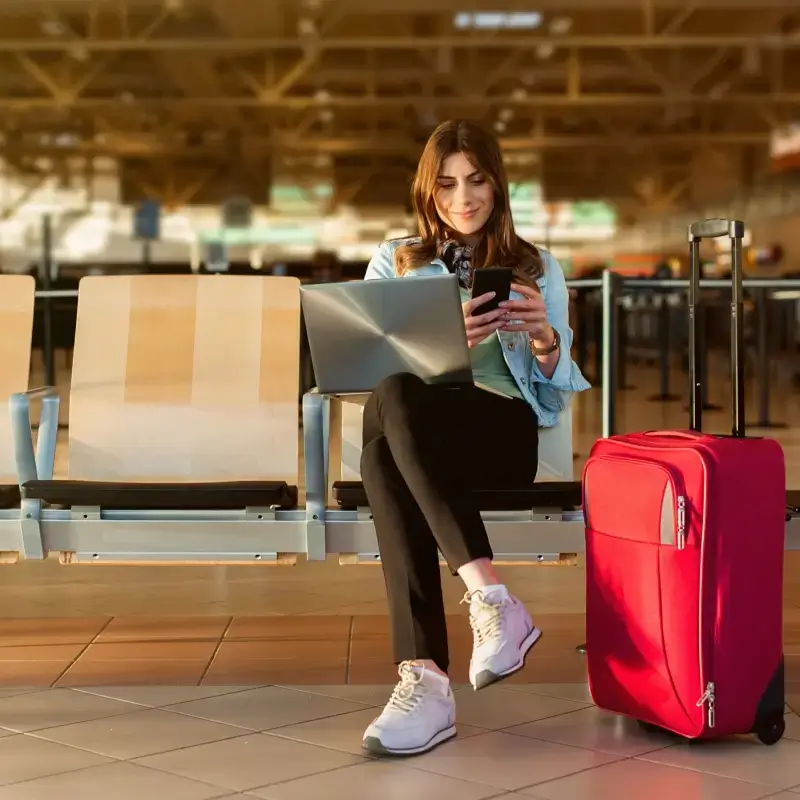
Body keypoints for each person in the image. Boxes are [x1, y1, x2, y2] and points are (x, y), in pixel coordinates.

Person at [359, 119, 590, 757]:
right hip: (422, 432)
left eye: (477, 181)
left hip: (501, 431)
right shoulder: (395, 260)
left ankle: (428, 677)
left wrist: (544, 339)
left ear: (498, 184)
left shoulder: (536, 266)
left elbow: (555, 385)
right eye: (448, 185)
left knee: (388, 437)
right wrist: (441, 349)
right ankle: (479, 612)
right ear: (427, 191)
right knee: (392, 411)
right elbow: (369, 370)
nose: (464, 199)